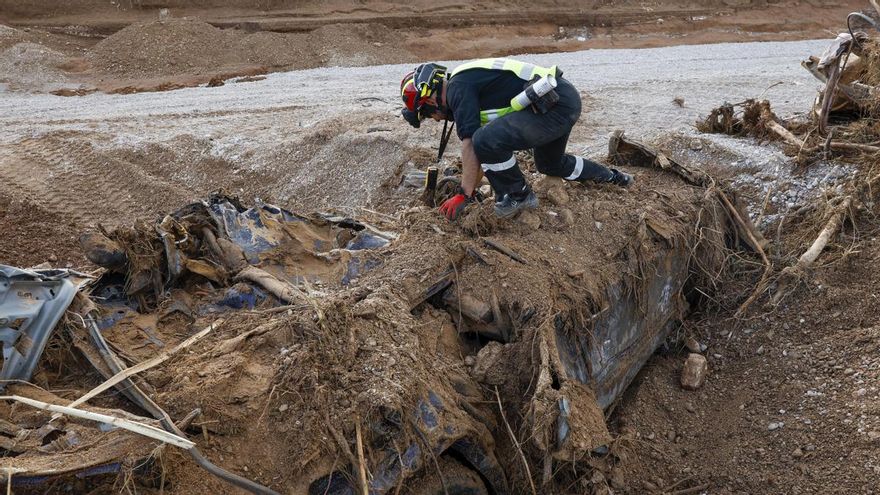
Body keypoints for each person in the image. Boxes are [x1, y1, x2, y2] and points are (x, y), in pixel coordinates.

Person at [400, 58, 633, 220]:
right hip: (558, 102)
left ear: (429, 101)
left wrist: (464, 194)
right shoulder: (464, 83)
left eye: (428, 116)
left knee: (483, 139)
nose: (437, 120)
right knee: (550, 164)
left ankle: (518, 195)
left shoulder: (458, 88)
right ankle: (614, 177)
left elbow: (472, 143)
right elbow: (481, 154)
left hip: (555, 105)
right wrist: (470, 186)